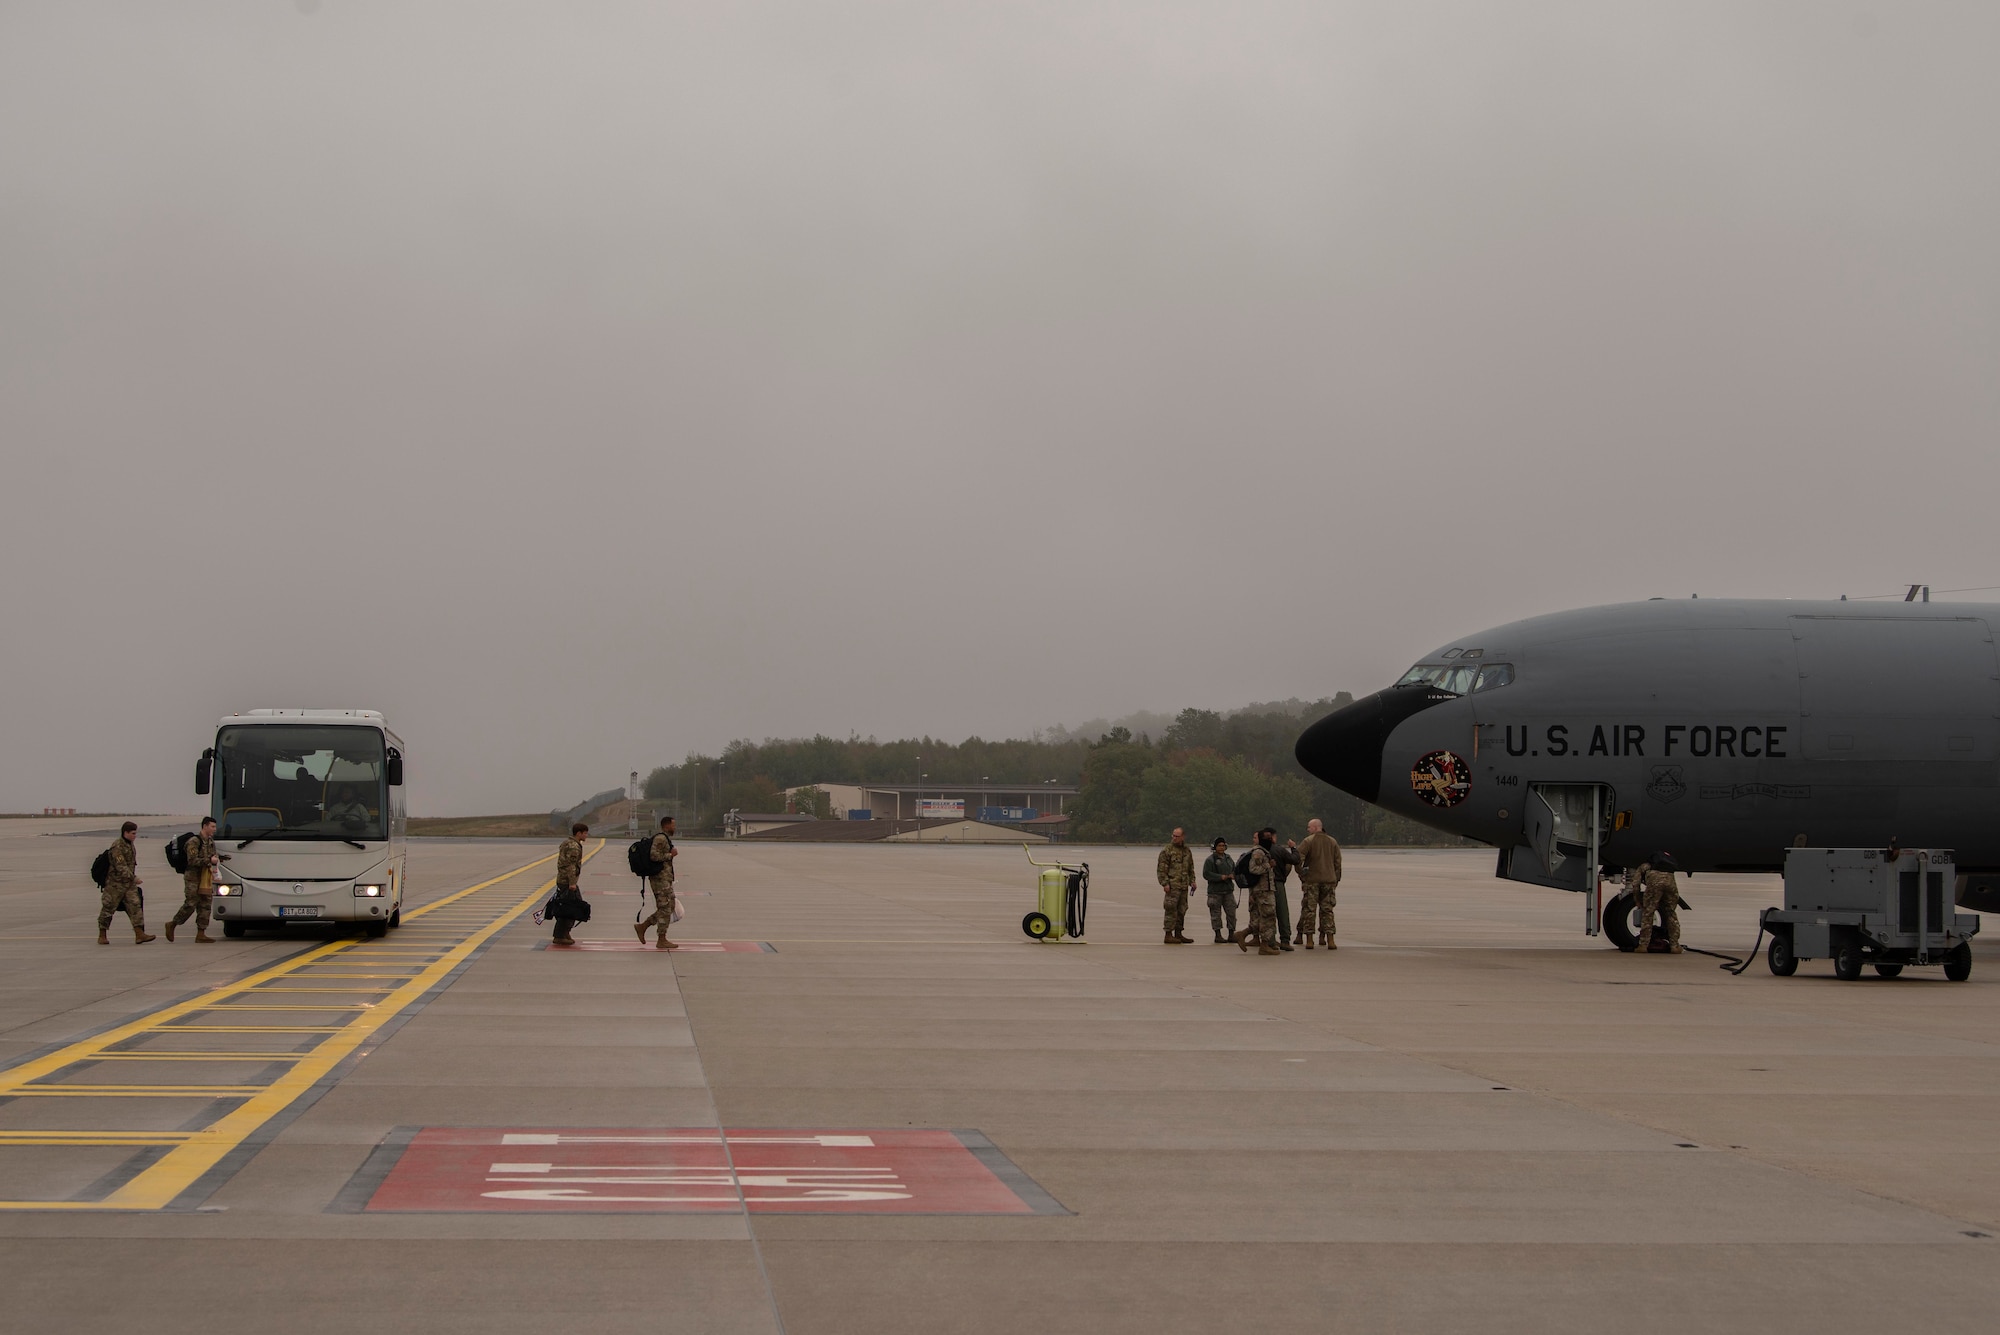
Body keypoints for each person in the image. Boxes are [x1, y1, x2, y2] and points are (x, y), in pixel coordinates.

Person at [165, 816, 228, 944]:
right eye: (212, 827)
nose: (214, 829)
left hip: (205, 877)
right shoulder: (194, 841)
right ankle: (173, 923)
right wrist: (209, 860)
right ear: (205, 826)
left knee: (205, 904)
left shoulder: (210, 842)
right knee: (191, 903)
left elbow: (211, 856)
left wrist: (219, 859)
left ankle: (201, 933)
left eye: (215, 827)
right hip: (193, 877)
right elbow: (192, 860)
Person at [98, 821, 154, 945]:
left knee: (135, 906)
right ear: (126, 833)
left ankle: (139, 934)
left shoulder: (130, 845)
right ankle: (102, 934)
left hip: (128, 885)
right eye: (133, 833)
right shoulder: (117, 846)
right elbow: (121, 866)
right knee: (108, 909)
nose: (135, 836)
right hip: (115, 884)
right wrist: (134, 878)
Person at [1231, 828, 1282, 955]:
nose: (1269, 840)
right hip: (1262, 890)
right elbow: (1254, 869)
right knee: (1268, 917)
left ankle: (1243, 934)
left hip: (1264, 889)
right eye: (1266, 838)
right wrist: (1268, 865)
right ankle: (1264, 945)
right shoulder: (1259, 852)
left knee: (1262, 917)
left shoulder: (1264, 851)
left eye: (1270, 837)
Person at [1295, 817, 1342, 950]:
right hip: (1329, 881)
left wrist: (1302, 874)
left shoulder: (1308, 841)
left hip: (1312, 880)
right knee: (1327, 910)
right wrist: (1336, 879)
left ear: (1315, 828)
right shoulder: (1333, 842)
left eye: (1309, 827)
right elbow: (1338, 862)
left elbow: (1298, 859)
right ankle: (1330, 938)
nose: (1308, 830)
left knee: (1310, 910)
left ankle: (1309, 939)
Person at [636, 815, 679, 950]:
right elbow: (654, 856)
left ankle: (644, 926)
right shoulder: (660, 838)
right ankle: (661, 938)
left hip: (665, 879)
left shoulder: (665, 838)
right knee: (665, 908)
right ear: (666, 825)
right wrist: (670, 855)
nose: (674, 827)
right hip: (660, 879)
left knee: (670, 906)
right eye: (673, 825)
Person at [1633, 852, 1682, 954]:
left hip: (1654, 884)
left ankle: (1643, 945)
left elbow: (1636, 884)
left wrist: (1637, 900)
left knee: (1648, 914)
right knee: (1671, 914)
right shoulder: (1667, 866)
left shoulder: (1644, 866)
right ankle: (1675, 946)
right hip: (1670, 883)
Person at [1156, 827, 1196, 944]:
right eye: (1173, 835)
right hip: (1172, 886)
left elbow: (1190, 868)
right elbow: (1161, 869)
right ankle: (1168, 934)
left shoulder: (1187, 851)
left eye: (1177, 836)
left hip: (1183, 886)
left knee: (1182, 910)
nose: (1174, 838)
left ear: (1183, 837)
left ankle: (1178, 934)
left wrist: (1192, 881)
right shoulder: (1167, 851)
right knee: (1170, 909)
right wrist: (1165, 883)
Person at [551, 822, 587, 946]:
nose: (586, 836)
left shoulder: (567, 842)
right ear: (579, 833)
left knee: (568, 907)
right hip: (567, 882)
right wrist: (572, 883)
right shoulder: (573, 846)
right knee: (570, 908)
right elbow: (571, 865)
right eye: (585, 833)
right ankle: (560, 934)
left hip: (563, 880)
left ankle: (564, 933)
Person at [1268, 832, 1301, 951]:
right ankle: (1285, 940)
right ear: (1273, 838)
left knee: (1268, 914)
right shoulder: (1279, 850)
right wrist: (1293, 848)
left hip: (1263, 885)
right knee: (1282, 912)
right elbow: (1295, 860)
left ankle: (1269, 940)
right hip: (1278, 883)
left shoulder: (1259, 851)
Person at [1202, 837, 1238, 942]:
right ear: (1215, 847)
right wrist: (1219, 877)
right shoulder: (1210, 860)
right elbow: (1206, 874)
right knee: (1215, 914)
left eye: (1223, 846)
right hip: (1215, 892)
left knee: (1231, 913)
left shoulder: (1229, 858)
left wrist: (1233, 875)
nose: (1221, 848)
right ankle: (1218, 935)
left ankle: (1231, 934)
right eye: (1219, 846)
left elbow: (1234, 870)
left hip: (1228, 891)